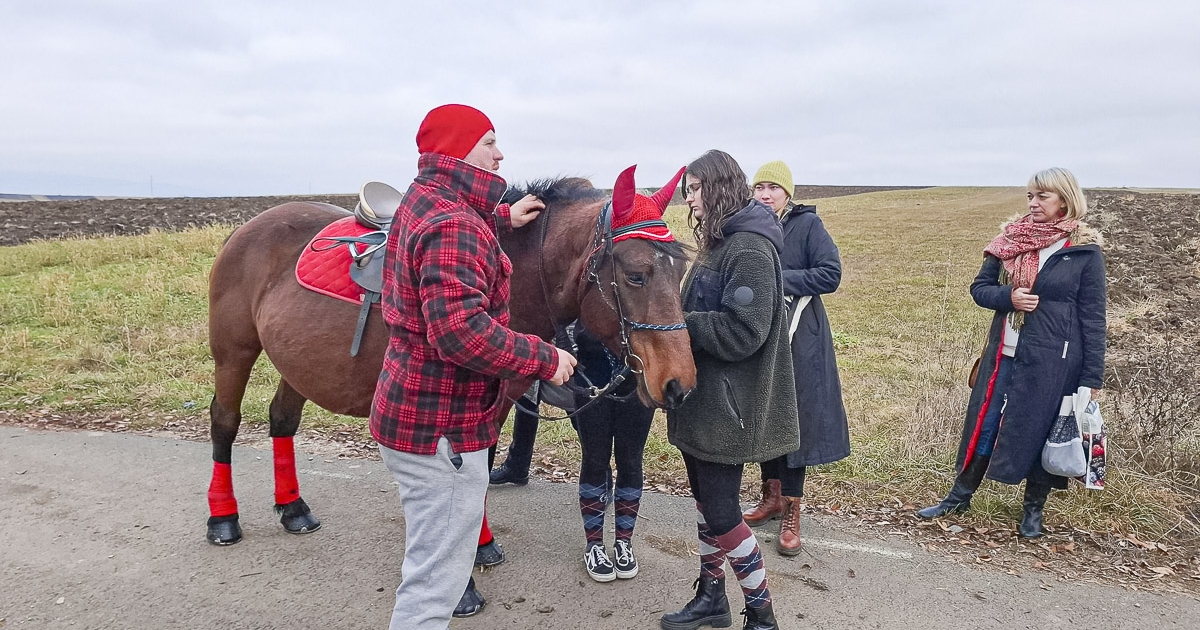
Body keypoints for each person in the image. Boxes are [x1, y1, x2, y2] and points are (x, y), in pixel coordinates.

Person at [371, 103, 576, 630]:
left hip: (412, 413)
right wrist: (544, 357)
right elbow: (459, 332)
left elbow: (452, 235)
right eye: (488, 141)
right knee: (434, 583)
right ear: (457, 151)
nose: (499, 152)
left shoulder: (428, 198)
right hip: (442, 428)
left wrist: (501, 217)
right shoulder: (453, 225)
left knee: (431, 566)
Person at [916, 167, 1106, 539]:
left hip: (1054, 363)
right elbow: (979, 288)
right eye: (1030, 197)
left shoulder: (1083, 252)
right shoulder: (1009, 242)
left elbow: (1094, 319)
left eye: (1042, 197)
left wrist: (1092, 378)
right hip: (1002, 354)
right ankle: (959, 496)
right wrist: (1009, 297)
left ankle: (1033, 511)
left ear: (1064, 200)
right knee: (984, 426)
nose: (1033, 204)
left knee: (1040, 431)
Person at [661, 150, 799, 630]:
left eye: (695, 188)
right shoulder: (719, 244)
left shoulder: (750, 249)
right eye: (687, 190)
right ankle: (712, 598)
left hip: (730, 406)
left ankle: (762, 616)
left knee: (722, 512)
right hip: (702, 404)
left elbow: (746, 331)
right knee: (705, 504)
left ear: (719, 186)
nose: (690, 199)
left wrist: (680, 324)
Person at [740, 161, 850, 556]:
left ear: (788, 193)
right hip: (762, 335)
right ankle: (770, 497)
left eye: (773, 187)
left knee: (794, 417)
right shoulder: (750, 225)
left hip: (800, 337)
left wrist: (777, 279)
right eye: (759, 187)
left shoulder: (807, 227)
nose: (765, 194)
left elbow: (829, 274)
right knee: (766, 413)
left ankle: (792, 508)